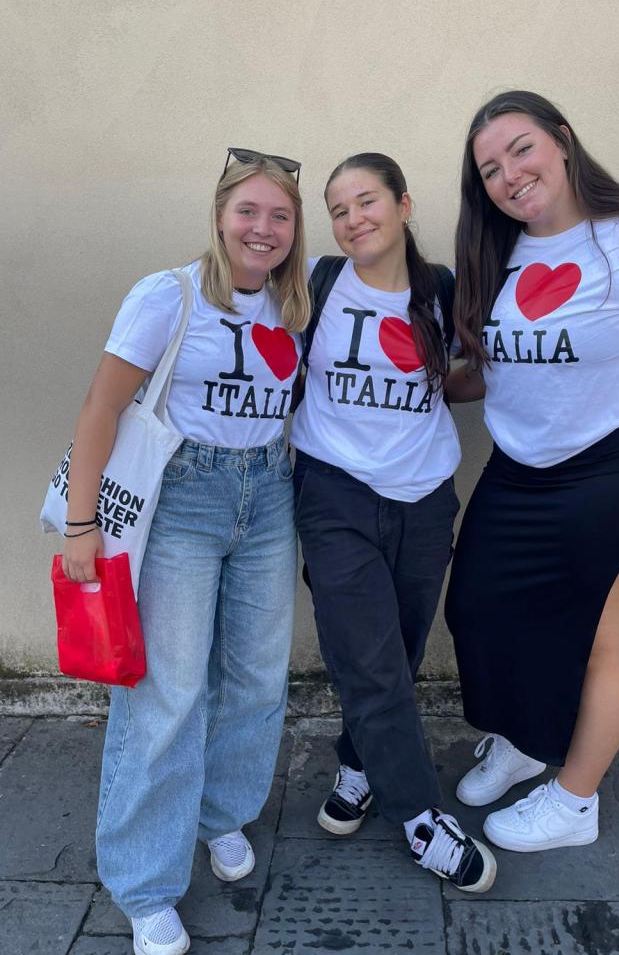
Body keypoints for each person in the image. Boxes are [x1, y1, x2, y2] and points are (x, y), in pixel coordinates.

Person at [445, 91, 619, 853]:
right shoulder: (495, 253)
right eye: (490, 169)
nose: (509, 175)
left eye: (521, 149)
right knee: (478, 611)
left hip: (607, 471)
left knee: (600, 641)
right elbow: (492, 368)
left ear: (562, 141)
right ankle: (527, 741)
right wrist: (423, 383)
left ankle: (574, 801)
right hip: (516, 469)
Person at [61, 150, 310, 955]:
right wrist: (81, 524)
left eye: (280, 216)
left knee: (257, 674)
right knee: (167, 692)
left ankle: (219, 814)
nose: (263, 229)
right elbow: (101, 407)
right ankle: (145, 885)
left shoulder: (293, 304)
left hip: (269, 493)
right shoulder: (167, 295)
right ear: (220, 215)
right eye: (249, 212)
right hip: (183, 500)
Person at [290, 153, 496, 892]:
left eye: (367, 201)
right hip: (333, 492)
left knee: (398, 649)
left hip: (425, 497)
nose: (353, 220)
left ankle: (359, 765)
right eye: (338, 210)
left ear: (404, 205)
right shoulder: (312, 284)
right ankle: (420, 817)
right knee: (368, 655)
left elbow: (465, 378)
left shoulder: (444, 291)